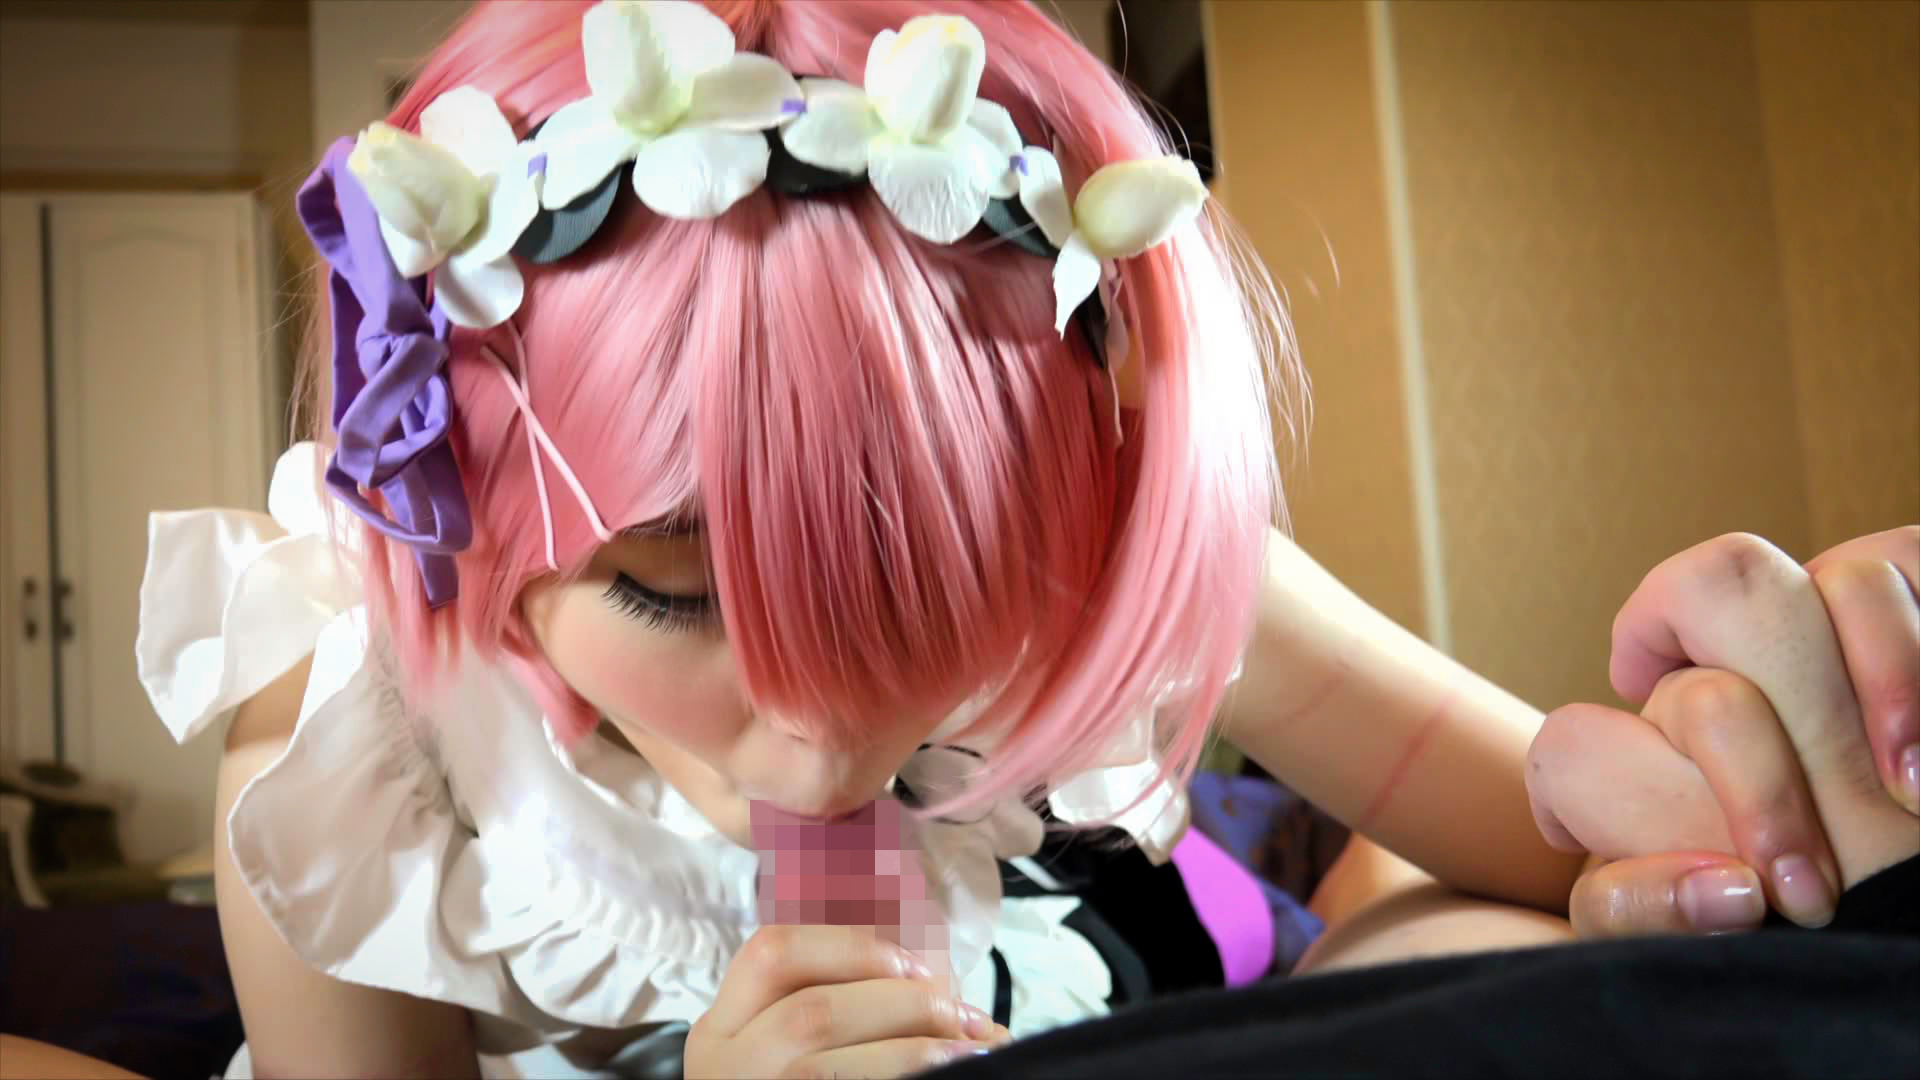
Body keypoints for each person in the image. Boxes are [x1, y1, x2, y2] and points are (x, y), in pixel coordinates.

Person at [129, 2, 1916, 1078]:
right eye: (671, 595)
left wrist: (1748, 776)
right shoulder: (339, 752)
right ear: (469, 505)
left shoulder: (1133, 547)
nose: (820, 739)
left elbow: (1575, 840)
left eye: (941, 586)